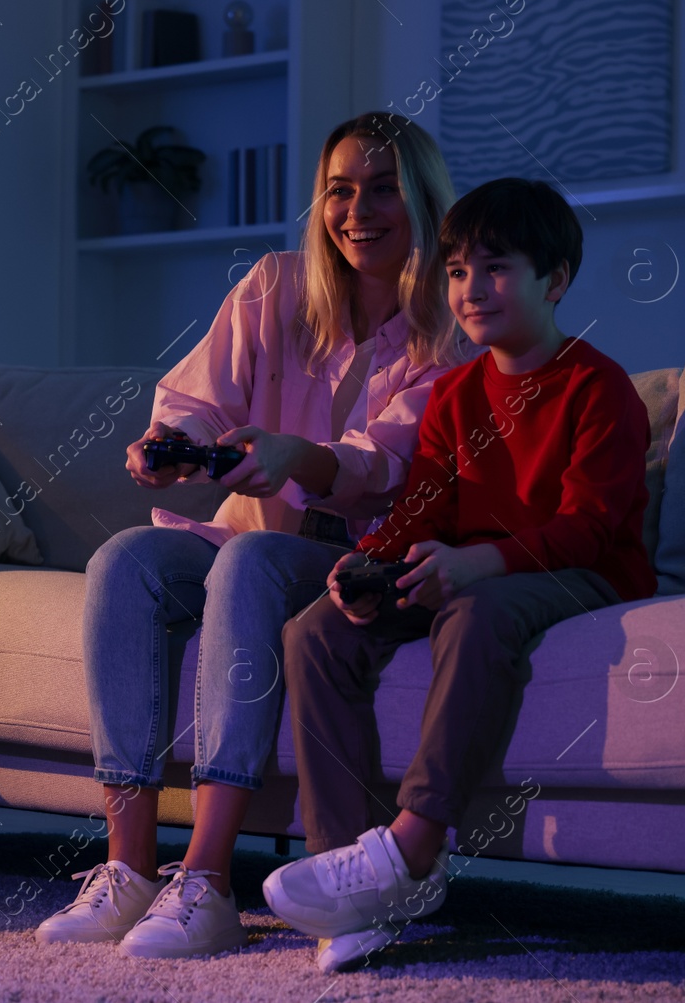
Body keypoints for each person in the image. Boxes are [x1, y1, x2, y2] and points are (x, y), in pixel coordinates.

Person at [34, 112, 465, 959]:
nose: (357, 210)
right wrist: (167, 447)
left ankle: (209, 879)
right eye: (339, 190)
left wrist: (297, 456)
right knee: (124, 560)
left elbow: (384, 463)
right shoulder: (273, 285)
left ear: (421, 202)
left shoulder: (446, 327)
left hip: (352, 554)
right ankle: (129, 868)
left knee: (253, 561)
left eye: (383, 189)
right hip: (244, 532)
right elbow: (194, 396)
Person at [263, 178, 656, 972]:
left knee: (473, 615)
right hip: (472, 568)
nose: (471, 290)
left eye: (496, 268)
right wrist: (370, 561)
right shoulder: (454, 393)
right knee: (316, 630)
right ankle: (351, 874)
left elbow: (590, 527)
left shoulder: (598, 386)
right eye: (456, 272)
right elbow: (424, 508)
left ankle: (414, 846)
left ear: (557, 279)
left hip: (581, 575)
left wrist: (482, 560)